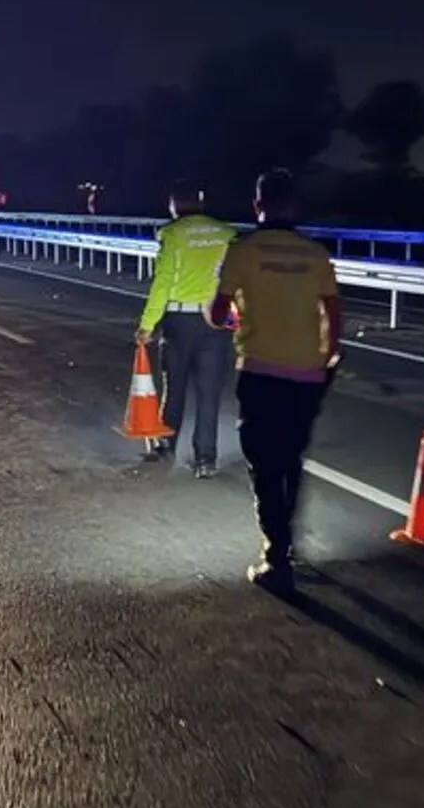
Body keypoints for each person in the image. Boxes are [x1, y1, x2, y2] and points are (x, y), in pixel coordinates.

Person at [208, 168, 340, 591]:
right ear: (295, 205)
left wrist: (232, 315)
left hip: (261, 371)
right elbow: (333, 317)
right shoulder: (316, 254)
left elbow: (216, 314)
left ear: (257, 205)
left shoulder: (242, 252)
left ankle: (275, 555)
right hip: (307, 373)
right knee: (290, 459)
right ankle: (287, 543)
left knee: (263, 464)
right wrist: (325, 359)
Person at [136, 182, 237, 478]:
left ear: (174, 206)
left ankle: (166, 446)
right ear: (201, 204)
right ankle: (206, 460)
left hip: (180, 321)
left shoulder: (172, 234)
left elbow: (162, 283)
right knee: (209, 394)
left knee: (175, 387)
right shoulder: (227, 233)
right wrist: (235, 325)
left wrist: (147, 325)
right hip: (217, 321)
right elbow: (234, 283)